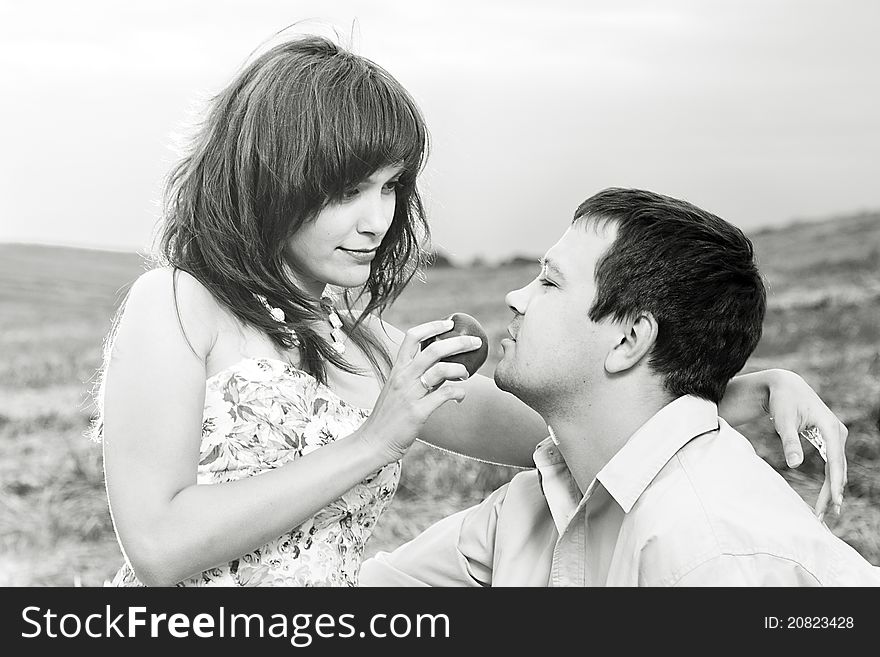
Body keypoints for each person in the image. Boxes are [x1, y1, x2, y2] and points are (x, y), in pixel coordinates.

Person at [95, 35, 848, 587]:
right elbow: (157, 544)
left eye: (390, 187)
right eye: (348, 188)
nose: (377, 220)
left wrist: (744, 389)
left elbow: (580, 422)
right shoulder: (175, 304)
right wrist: (374, 440)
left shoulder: (360, 339)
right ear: (272, 174)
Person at [360, 188, 880, 586]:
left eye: (550, 281)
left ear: (630, 338)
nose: (515, 298)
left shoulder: (711, 554)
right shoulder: (533, 505)